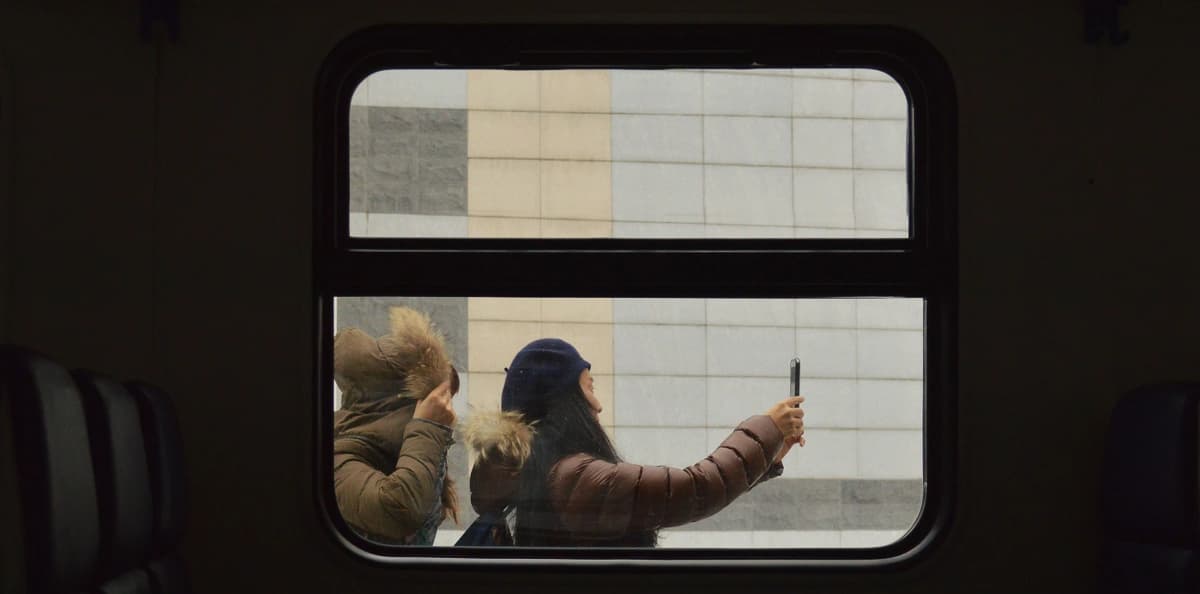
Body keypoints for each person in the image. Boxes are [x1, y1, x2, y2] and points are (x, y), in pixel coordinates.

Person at [460, 338, 806, 547]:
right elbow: (695, 488)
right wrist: (767, 428)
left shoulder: (546, 475)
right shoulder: (575, 478)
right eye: (589, 387)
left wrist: (767, 456)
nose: (598, 403)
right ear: (566, 401)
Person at [332, 306, 459, 545]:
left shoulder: (401, 451)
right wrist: (427, 427)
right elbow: (399, 509)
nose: (446, 411)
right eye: (433, 402)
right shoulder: (341, 455)